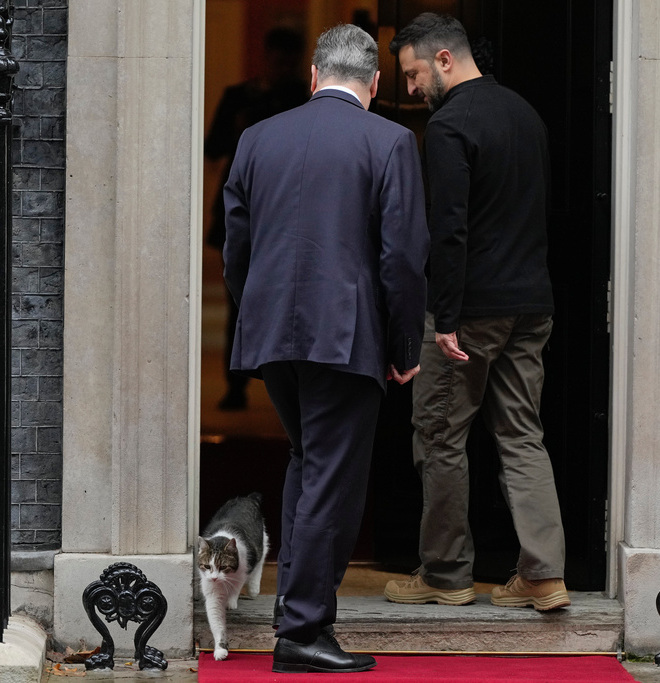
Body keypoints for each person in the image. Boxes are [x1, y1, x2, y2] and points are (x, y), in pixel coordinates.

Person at [223, 23, 429, 673]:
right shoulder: (392, 141)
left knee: (308, 465)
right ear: (373, 83)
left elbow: (236, 248)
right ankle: (304, 630)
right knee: (330, 481)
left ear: (313, 76)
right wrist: (402, 345)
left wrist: (253, 313)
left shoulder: (258, 138)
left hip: (273, 334)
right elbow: (402, 259)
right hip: (346, 336)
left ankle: (297, 614)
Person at [383, 13, 569, 612]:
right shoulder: (526, 114)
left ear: (443, 60)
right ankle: (543, 575)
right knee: (522, 435)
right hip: (532, 303)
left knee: (439, 434)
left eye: (413, 73)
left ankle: (444, 574)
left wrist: (445, 316)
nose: (410, 89)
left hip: (470, 309)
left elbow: (450, 230)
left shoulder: (449, 125)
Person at [205, 27, 310, 411]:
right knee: (239, 299)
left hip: (289, 209)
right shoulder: (239, 96)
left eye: (289, 62)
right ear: (266, 56)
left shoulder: (303, 98)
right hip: (245, 206)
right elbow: (212, 148)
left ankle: (289, 385)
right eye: (278, 60)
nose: (283, 68)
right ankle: (236, 386)